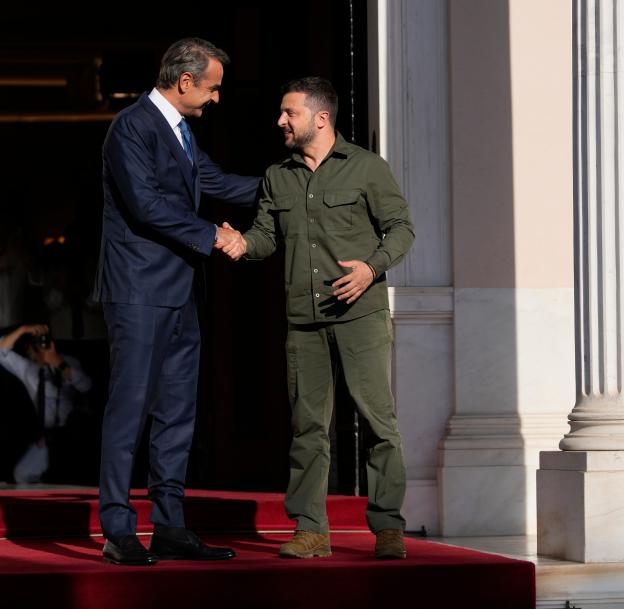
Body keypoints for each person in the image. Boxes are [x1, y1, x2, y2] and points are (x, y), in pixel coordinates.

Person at [219, 77, 414, 560]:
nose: (280, 121)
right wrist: (242, 244)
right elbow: (266, 235)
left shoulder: (367, 169)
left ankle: (388, 527)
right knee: (308, 426)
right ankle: (311, 529)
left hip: (360, 316)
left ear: (320, 118)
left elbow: (401, 228)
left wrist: (370, 268)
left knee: (378, 422)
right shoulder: (277, 175)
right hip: (303, 321)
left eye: (290, 113)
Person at [93, 37, 259, 566]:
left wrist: (296, 183)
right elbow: (145, 206)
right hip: (140, 293)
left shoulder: (182, 132)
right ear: (185, 81)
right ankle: (119, 529)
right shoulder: (132, 127)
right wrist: (214, 235)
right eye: (212, 88)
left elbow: (218, 182)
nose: (215, 99)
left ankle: (169, 526)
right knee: (130, 408)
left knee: (177, 413)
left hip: (183, 292)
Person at [0, 324, 92, 483]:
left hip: (72, 435)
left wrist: (56, 361)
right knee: (22, 474)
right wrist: (24, 330)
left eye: (42, 343)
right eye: (34, 345)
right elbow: (1, 351)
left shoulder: (66, 361)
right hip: (48, 437)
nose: (37, 349)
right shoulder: (28, 369)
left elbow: (85, 385)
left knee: (73, 477)